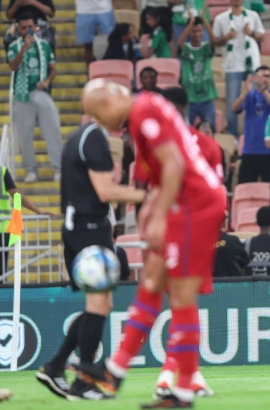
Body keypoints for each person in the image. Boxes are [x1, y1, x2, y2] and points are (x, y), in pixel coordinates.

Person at [72, 82, 227, 408]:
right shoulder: (144, 111)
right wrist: (152, 210)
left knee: (180, 295)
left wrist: (157, 215)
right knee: (152, 281)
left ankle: (182, 392)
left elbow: (174, 165)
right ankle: (114, 370)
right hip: (182, 202)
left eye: (99, 112)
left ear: (112, 98)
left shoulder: (143, 111)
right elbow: (163, 172)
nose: (101, 121)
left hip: (194, 206)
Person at [35, 84, 146, 400]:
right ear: (104, 106)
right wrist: (150, 195)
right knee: (99, 304)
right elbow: (105, 192)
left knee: (98, 304)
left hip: (75, 230)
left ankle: (55, 367)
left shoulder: (78, 137)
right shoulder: (95, 138)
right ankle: (83, 380)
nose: (125, 112)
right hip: (89, 230)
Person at [8, 14, 62, 183]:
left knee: (53, 131)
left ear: (35, 27)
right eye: (23, 28)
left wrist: (46, 81)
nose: (27, 30)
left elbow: (53, 68)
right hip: (22, 94)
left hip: (41, 92)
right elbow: (13, 66)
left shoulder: (45, 45)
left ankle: (58, 169)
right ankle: (31, 170)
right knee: (24, 135)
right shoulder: (14, 46)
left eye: (29, 27)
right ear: (19, 29)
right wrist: (24, 48)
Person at [213, 0, 265, 138]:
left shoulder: (253, 15)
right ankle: (233, 137)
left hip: (251, 64)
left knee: (254, 100)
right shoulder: (221, 18)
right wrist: (226, 37)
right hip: (232, 65)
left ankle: (254, 134)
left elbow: (261, 36)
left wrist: (251, 33)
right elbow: (215, 41)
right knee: (232, 104)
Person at [0, 166, 54, 279]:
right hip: (2, 229)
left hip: (3, 230)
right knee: (1, 274)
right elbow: (16, 194)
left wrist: (39, 211)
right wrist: (38, 211)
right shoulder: (2, 170)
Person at [232, 66, 270, 184]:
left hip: (269, 151)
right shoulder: (250, 95)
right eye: (261, 76)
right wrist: (245, 93)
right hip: (249, 151)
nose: (264, 79)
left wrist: (263, 90)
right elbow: (234, 108)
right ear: (254, 78)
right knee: (245, 187)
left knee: (268, 190)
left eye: (267, 76)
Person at [178, 12, 218, 128]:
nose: (197, 34)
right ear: (189, 32)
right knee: (186, 131)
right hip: (189, 99)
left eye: (199, 31)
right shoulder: (185, 48)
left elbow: (213, 41)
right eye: (193, 31)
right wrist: (190, 23)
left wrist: (205, 20)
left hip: (207, 98)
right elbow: (180, 44)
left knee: (210, 130)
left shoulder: (206, 47)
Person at [75, 0, 115, 65]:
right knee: (87, 45)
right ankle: (90, 73)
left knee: (110, 43)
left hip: (105, 9)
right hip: (84, 10)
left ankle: (108, 71)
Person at [213, 212, 250, 276]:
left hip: (210, 284)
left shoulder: (201, 244)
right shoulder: (233, 241)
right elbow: (245, 263)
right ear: (224, 223)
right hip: (232, 285)